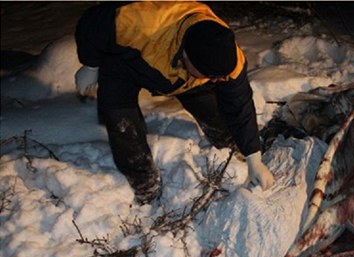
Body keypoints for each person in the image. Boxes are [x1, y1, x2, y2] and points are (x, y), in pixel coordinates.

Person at [74, 2, 274, 204]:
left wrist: (253, 155)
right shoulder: (140, 24)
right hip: (126, 64)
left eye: (219, 77)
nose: (216, 80)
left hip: (183, 73)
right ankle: (145, 184)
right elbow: (92, 23)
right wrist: (90, 65)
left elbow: (239, 105)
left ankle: (230, 143)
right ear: (186, 57)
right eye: (211, 76)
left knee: (210, 105)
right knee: (122, 123)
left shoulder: (226, 57)